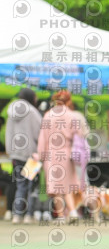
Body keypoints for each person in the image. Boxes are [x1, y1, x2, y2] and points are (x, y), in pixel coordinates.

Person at [36, 90, 89, 224]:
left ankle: (60, 216)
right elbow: (80, 134)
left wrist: (41, 155)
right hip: (67, 153)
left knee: (56, 188)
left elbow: (43, 138)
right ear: (68, 101)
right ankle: (73, 212)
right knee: (68, 186)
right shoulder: (72, 115)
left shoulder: (48, 115)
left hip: (51, 154)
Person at [6, 88, 42, 224]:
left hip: (16, 154)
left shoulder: (11, 111)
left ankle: (17, 215)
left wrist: (10, 150)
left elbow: (8, 132)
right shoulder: (32, 112)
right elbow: (39, 132)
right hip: (31, 154)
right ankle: (29, 215)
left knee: (20, 185)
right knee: (31, 185)